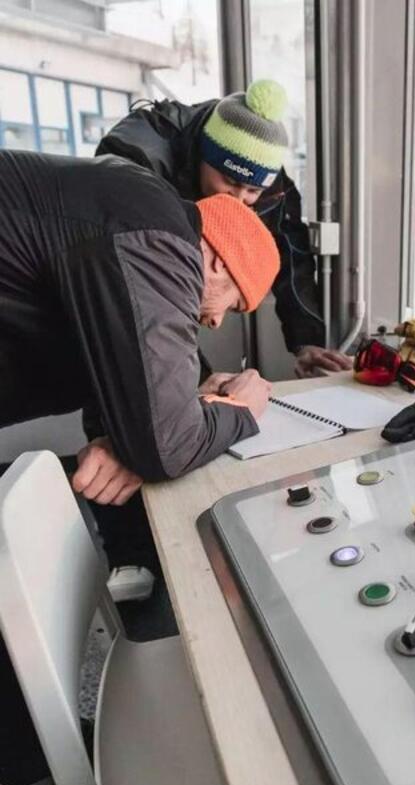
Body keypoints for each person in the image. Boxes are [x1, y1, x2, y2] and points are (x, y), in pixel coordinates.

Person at [0, 148, 280, 505]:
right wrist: (241, 408)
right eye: (233, 304)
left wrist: (184, 407)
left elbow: (142, 386)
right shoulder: (161, 245)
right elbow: (168, 449)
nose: (216, 320)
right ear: (220, 264)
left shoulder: (146, 212)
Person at [97, 79, 351, 379]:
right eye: (230, 182)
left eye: (252, 191)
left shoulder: (262, 168)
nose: (239, 199)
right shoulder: (138, 164)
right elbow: (139, 289)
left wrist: (307, 340)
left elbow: (291, 256)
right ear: (204, 156)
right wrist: (198, 380)